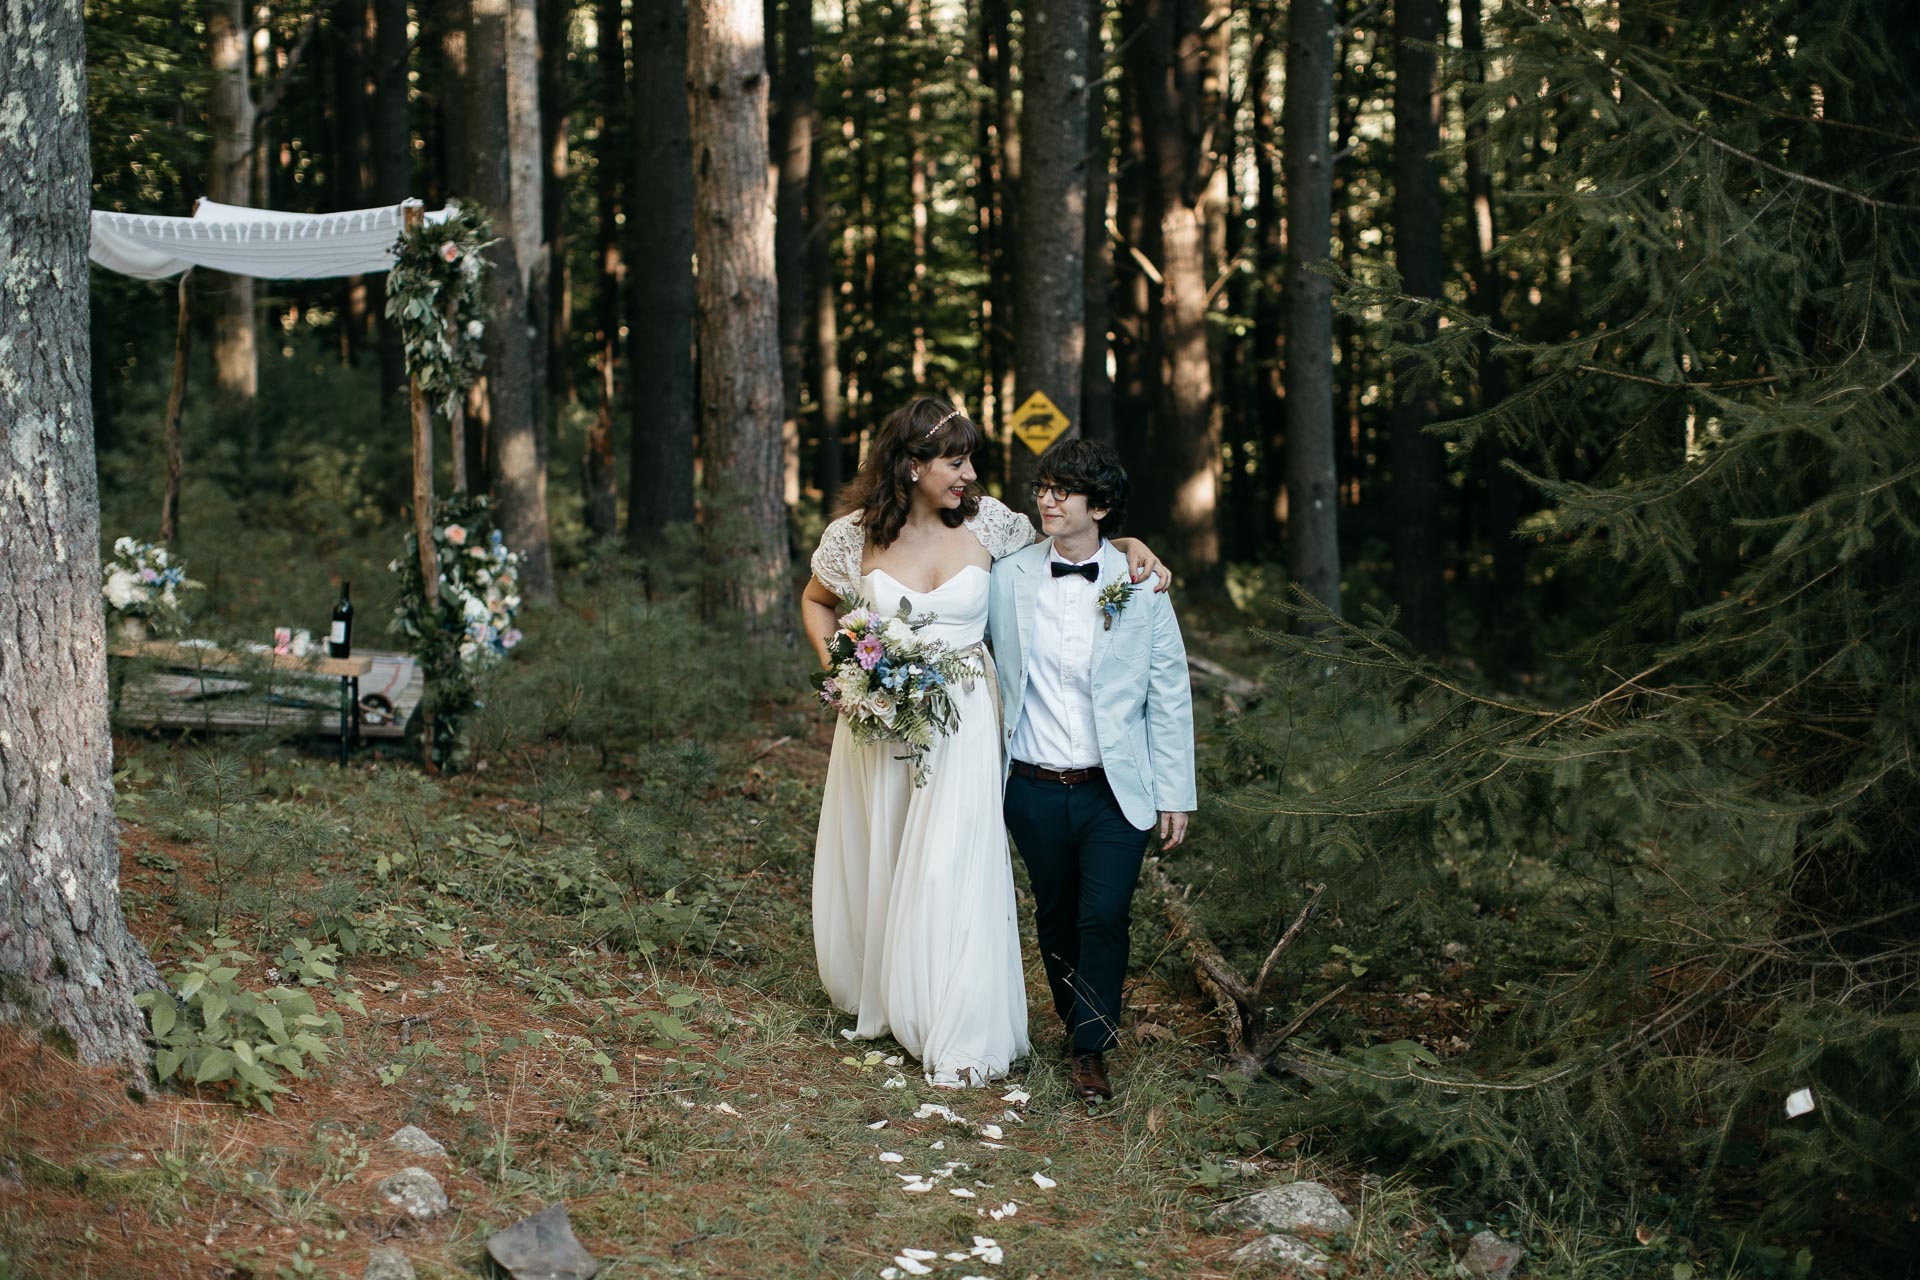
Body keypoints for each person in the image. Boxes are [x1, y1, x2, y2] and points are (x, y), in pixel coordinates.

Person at [802, 398, 1166, 1087]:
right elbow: (818, 601)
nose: (970, 473)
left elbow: (1069, 550)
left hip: (965, 725)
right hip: (881, 723)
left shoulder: (995, 525)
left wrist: (1128, 547)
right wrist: (846, 673)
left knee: (951, 865)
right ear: (911, 467)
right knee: (887, 854)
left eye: (970, 459)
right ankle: (888, 988)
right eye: (955, 461)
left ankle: (952, 1013)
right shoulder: (854, 536)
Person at [987, 438, 1196, 1102]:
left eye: (1063, 490)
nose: (1046, 499)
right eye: (1043, 487)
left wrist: (1176, 791)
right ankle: (1078, 1016)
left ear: (1100, 506)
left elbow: (1168, 693)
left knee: (1103, 915)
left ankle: (1090, 1050)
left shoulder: (1141, 583)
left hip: (1114, 789)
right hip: (1032, 785)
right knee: (1055, 915)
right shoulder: (1008, 576)